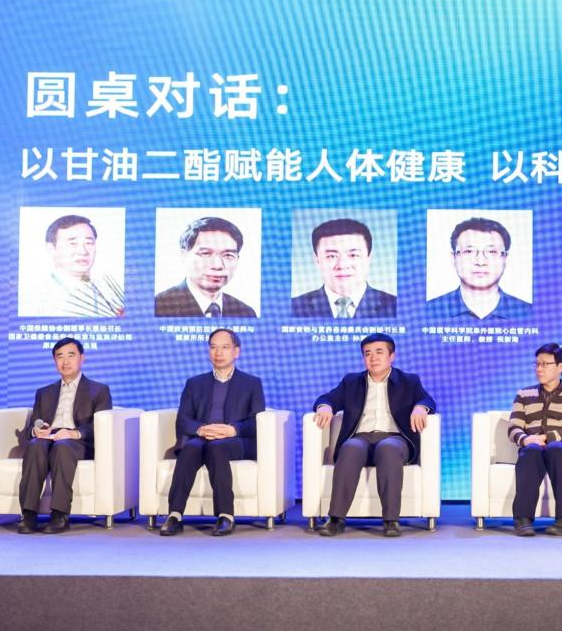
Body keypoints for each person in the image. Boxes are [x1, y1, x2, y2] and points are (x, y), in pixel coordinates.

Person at [313, 334, 435, 536]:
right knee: (350, 448)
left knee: (388, 449)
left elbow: (427, 399)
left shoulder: (409, 381)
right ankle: (335, 519)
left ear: (391, 356)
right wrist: (325, 407)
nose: (373, 358)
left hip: (395, 439)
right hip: (361, 438)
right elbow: (328, 398)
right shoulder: (352, 381)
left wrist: (421, 408)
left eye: (379, 352)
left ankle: (391, 521)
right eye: (367, 354)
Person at [160, 328, 266, 536]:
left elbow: (257, 421)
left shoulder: (252, 383)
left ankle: (226, 515)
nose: (218, 352)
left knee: (217, 448)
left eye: (225, 347)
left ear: (236, 352)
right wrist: (200, 429)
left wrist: (233, 429)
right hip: (203, 436)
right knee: (190, 448)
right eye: (213, 347)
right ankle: (175, 515)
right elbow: (183, 419)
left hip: (236, 440)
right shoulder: (194, 383)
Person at [16, 337, 113, 534]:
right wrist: (36, 430)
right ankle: (28, 514)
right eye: (60, 356)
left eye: (71, 355)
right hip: (48, 437)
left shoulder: (99, 390)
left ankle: (59, 515)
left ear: (82, 358)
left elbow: (100, 426)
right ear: (54, 361)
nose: (65, 361)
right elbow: (33, 424)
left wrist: (74, 433)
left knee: (63, 446)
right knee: (35, 445)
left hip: (77, 440)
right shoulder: (44, 392)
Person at [507, 343, 562, 536]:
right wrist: (526, 439)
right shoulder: (524, 394)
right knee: (531, 451)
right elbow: (513, 427)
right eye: (536, 364)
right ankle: (523, 519)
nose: (539, 369)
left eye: (545, 364)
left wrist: (547, 437)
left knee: (556, 449)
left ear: (560, 367)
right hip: (533, 444)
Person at [424, 217, 532, 321]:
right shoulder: (429, 311)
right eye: (469, 251)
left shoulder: (528, 312)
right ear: (454, 258)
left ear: (505, 258)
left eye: (492, 252)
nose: (480, 262)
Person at [20, 214, 125, 318]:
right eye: (73, 243)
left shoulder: (111, 293)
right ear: (51, 248)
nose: (83, 251)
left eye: (89, 243)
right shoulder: (32, 300)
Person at [291, 218, 396, 318]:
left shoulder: (395, 306)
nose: (342, 265)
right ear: (317, 260)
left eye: (353, 255)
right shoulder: (294, 307)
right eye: (331, 256)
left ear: (368, 258)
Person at [154, 216, 258, 318]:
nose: (217, 266)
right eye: (205, 253)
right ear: (184, 255)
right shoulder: (158, 307)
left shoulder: (246, 312)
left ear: (237, 259)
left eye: (228, 255)